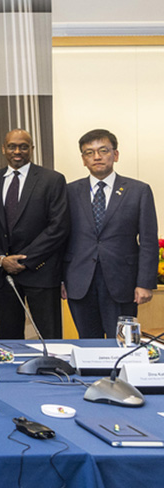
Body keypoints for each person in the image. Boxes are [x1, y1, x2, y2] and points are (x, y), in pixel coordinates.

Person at [63, 129, 158, 339]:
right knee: (87, 343)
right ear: (83, 159)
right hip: (80, 282)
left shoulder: (138, 191)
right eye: (89, 152)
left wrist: (145, 283)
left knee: (122, 344)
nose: (97, 157)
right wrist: (61, 279)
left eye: (103, 150)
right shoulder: (69, 192)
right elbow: (61, 238)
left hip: (122, 282)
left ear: (115, 155)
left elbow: (149, 240)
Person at [0, 130, 69, 340]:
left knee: (49, 337)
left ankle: (50, 372)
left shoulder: (52, 180)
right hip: (3, 274)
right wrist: (2, 259)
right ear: (4, 149)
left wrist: (24, 260)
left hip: (41, 270)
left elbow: (58, 227)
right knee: (9, 339)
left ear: (32, 149)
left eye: (24, 146)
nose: (17, 151)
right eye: (12, 146)